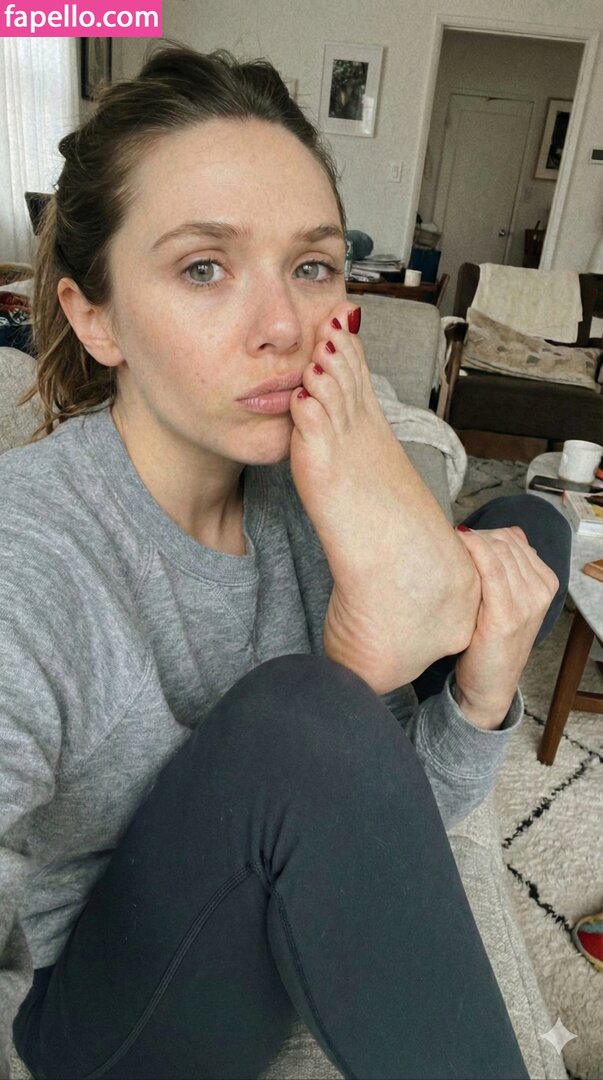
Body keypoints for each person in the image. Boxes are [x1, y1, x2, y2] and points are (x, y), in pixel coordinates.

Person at [1, 41, 571, 1080]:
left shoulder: (309, 502)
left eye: (312, 267)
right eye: (203, 268)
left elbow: (388, 826)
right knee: (305, 709)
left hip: (279, 892)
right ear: (95, 316)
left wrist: (484, 694)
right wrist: (339, 692)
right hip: (117, 1018)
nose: (283, 327)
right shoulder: (28, 553)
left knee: (530, 531)